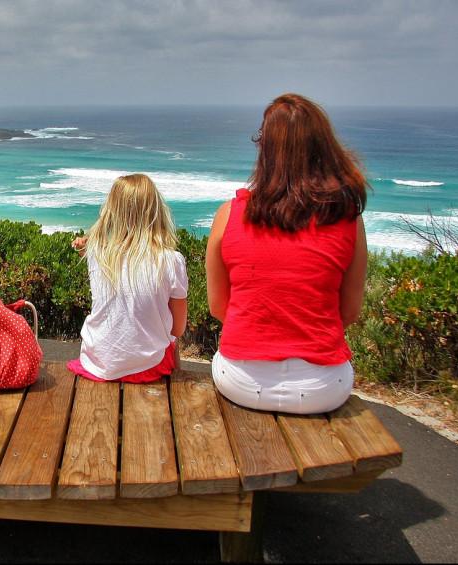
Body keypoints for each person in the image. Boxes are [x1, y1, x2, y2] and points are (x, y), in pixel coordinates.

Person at [205, 93, 369, 414]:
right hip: (322, 387)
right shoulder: (347, 217)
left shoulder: (230, 214)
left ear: (265, 150)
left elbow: (219, 307)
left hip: (242, 381)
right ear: (324, 148)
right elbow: (349, 311)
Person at [67, 173, 189, 383]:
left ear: (112, 212)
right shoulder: (171, 261)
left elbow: (94, 253)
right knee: (172, 342)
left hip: (97, 364)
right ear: (155, 210)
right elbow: (177, 329)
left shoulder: (98, 253)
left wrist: (84, 246)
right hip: (148, 368)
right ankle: (175, 392)